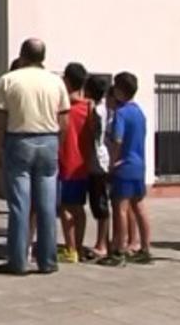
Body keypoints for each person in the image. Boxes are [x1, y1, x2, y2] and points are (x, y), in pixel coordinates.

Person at [0, 39, 70, 275]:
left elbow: (0, 118)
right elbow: (64, 119)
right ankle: (48, 260)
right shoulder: (55, 81)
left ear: (22, 55)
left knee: (19, 204)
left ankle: (18, 260)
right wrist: (59, 144)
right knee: (47, 204)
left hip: (19, 139)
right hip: (48, 139)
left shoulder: (9, 80)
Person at [99, 72, 152, 266]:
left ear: (120, 90)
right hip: (139, 164)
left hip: (125, 165)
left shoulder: (121, 113)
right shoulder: (139, 112)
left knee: (120, 208)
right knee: (139, 207)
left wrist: (112, 163)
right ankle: (145, 248)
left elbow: (117, 140)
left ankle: (119, 250)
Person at [58, 63, 91, 264]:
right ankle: (77, 246)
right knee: (79, 207)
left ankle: (71, 249)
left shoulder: (63, 108)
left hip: (66, 162)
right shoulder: (89, 107)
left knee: (65, 208)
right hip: (84, 164)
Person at [82, 75, 111, 260]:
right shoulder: (104, 107)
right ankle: (103, 241)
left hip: (97, 162)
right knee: (98, 202)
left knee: (100, 203)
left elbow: (93, 132)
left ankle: (102, 243)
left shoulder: (97, 111)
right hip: (98, 159)